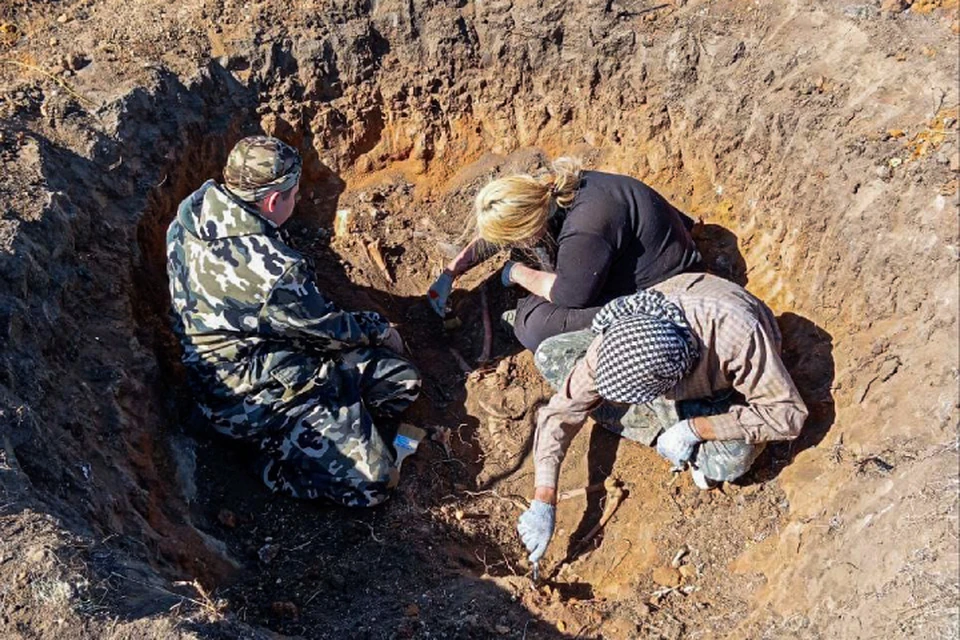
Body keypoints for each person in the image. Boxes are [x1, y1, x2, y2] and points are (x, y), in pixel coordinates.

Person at [166, 136, 421, 508]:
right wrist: (379, 328)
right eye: (294, 194)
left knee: (402, 384)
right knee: (374, 484)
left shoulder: (195, 209)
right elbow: (330, 331)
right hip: (254, 396)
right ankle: (266, 463)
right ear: (272, 200)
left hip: (251, 356)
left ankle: (335, 422)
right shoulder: (274, 272)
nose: (298, 200)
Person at [515, 272, 808, 563]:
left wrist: (696, 429)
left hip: (715, 386)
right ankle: (666, 432)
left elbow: (786, 414)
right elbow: (561, 412)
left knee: (733, 458)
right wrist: (544, 498)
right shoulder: (615, 339)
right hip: (655, 364)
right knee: (551, 355)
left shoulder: (736, 336)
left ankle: (677, 435)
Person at [426, 158, 702, 352]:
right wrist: (451, 272)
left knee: (532, 325)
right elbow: (502, 227)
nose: (506, 243)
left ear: (528, 224)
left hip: (666, 291)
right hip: (648, 251)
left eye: (513, 236)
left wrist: (515, 271)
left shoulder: (584, 229)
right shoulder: (550, 192)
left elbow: (571, 296)